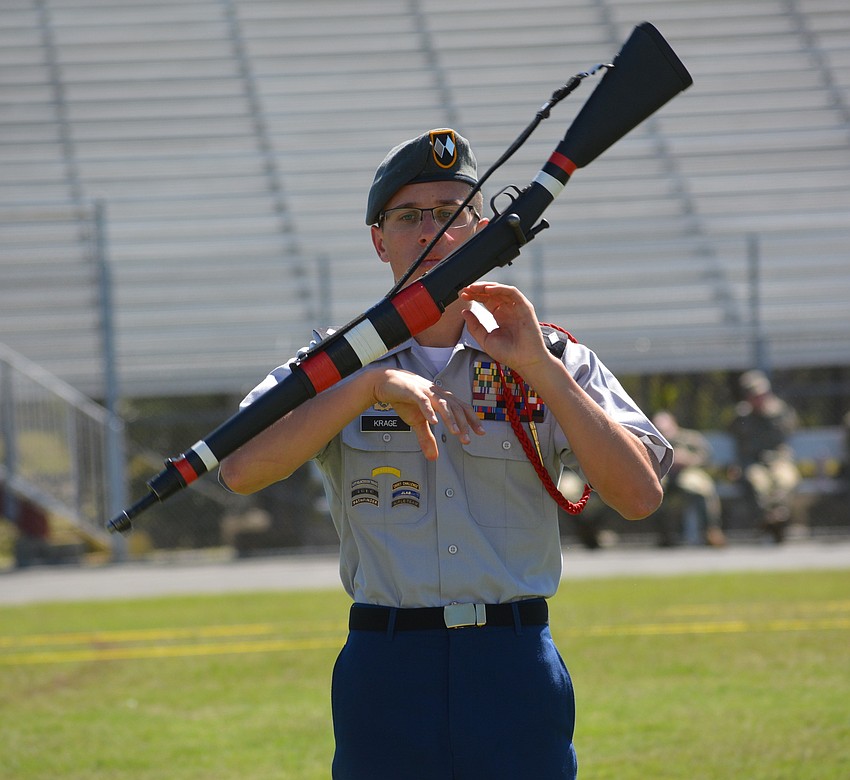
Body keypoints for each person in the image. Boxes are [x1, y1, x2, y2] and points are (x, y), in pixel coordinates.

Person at [219, 128, 672, 779]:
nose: (433, 230)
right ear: (379, 239)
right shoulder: (332, 364)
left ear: (483, 229)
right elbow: (239, 470)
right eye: (409, 216)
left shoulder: (554, 356)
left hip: (515, 662)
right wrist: (366, 386)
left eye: (453, 214)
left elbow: (639, 496)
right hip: (386, 666)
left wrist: (540, 371)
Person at [728, 369, 801, 543]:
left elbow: (792, 428)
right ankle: (771, 519)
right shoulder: (742, 416)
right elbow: (734, 434)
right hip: (754, 462)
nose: (759, 398)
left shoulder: (780, 412)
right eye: (754, 395)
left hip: (778, 460)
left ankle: (776, 517)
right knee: (758, 482)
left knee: (785, 479)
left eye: (762, 394)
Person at [651, 410, 726, 547]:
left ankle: (710, 530)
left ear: (674, 424)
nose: (663, 431)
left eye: (666, 427)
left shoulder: (690, 437)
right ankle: (665, 534)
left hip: (689, 472)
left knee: (698, 487)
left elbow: (706, 457)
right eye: (659, 428)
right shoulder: (650, 440)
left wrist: (687, 459)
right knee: (653, 489)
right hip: (663, 475)